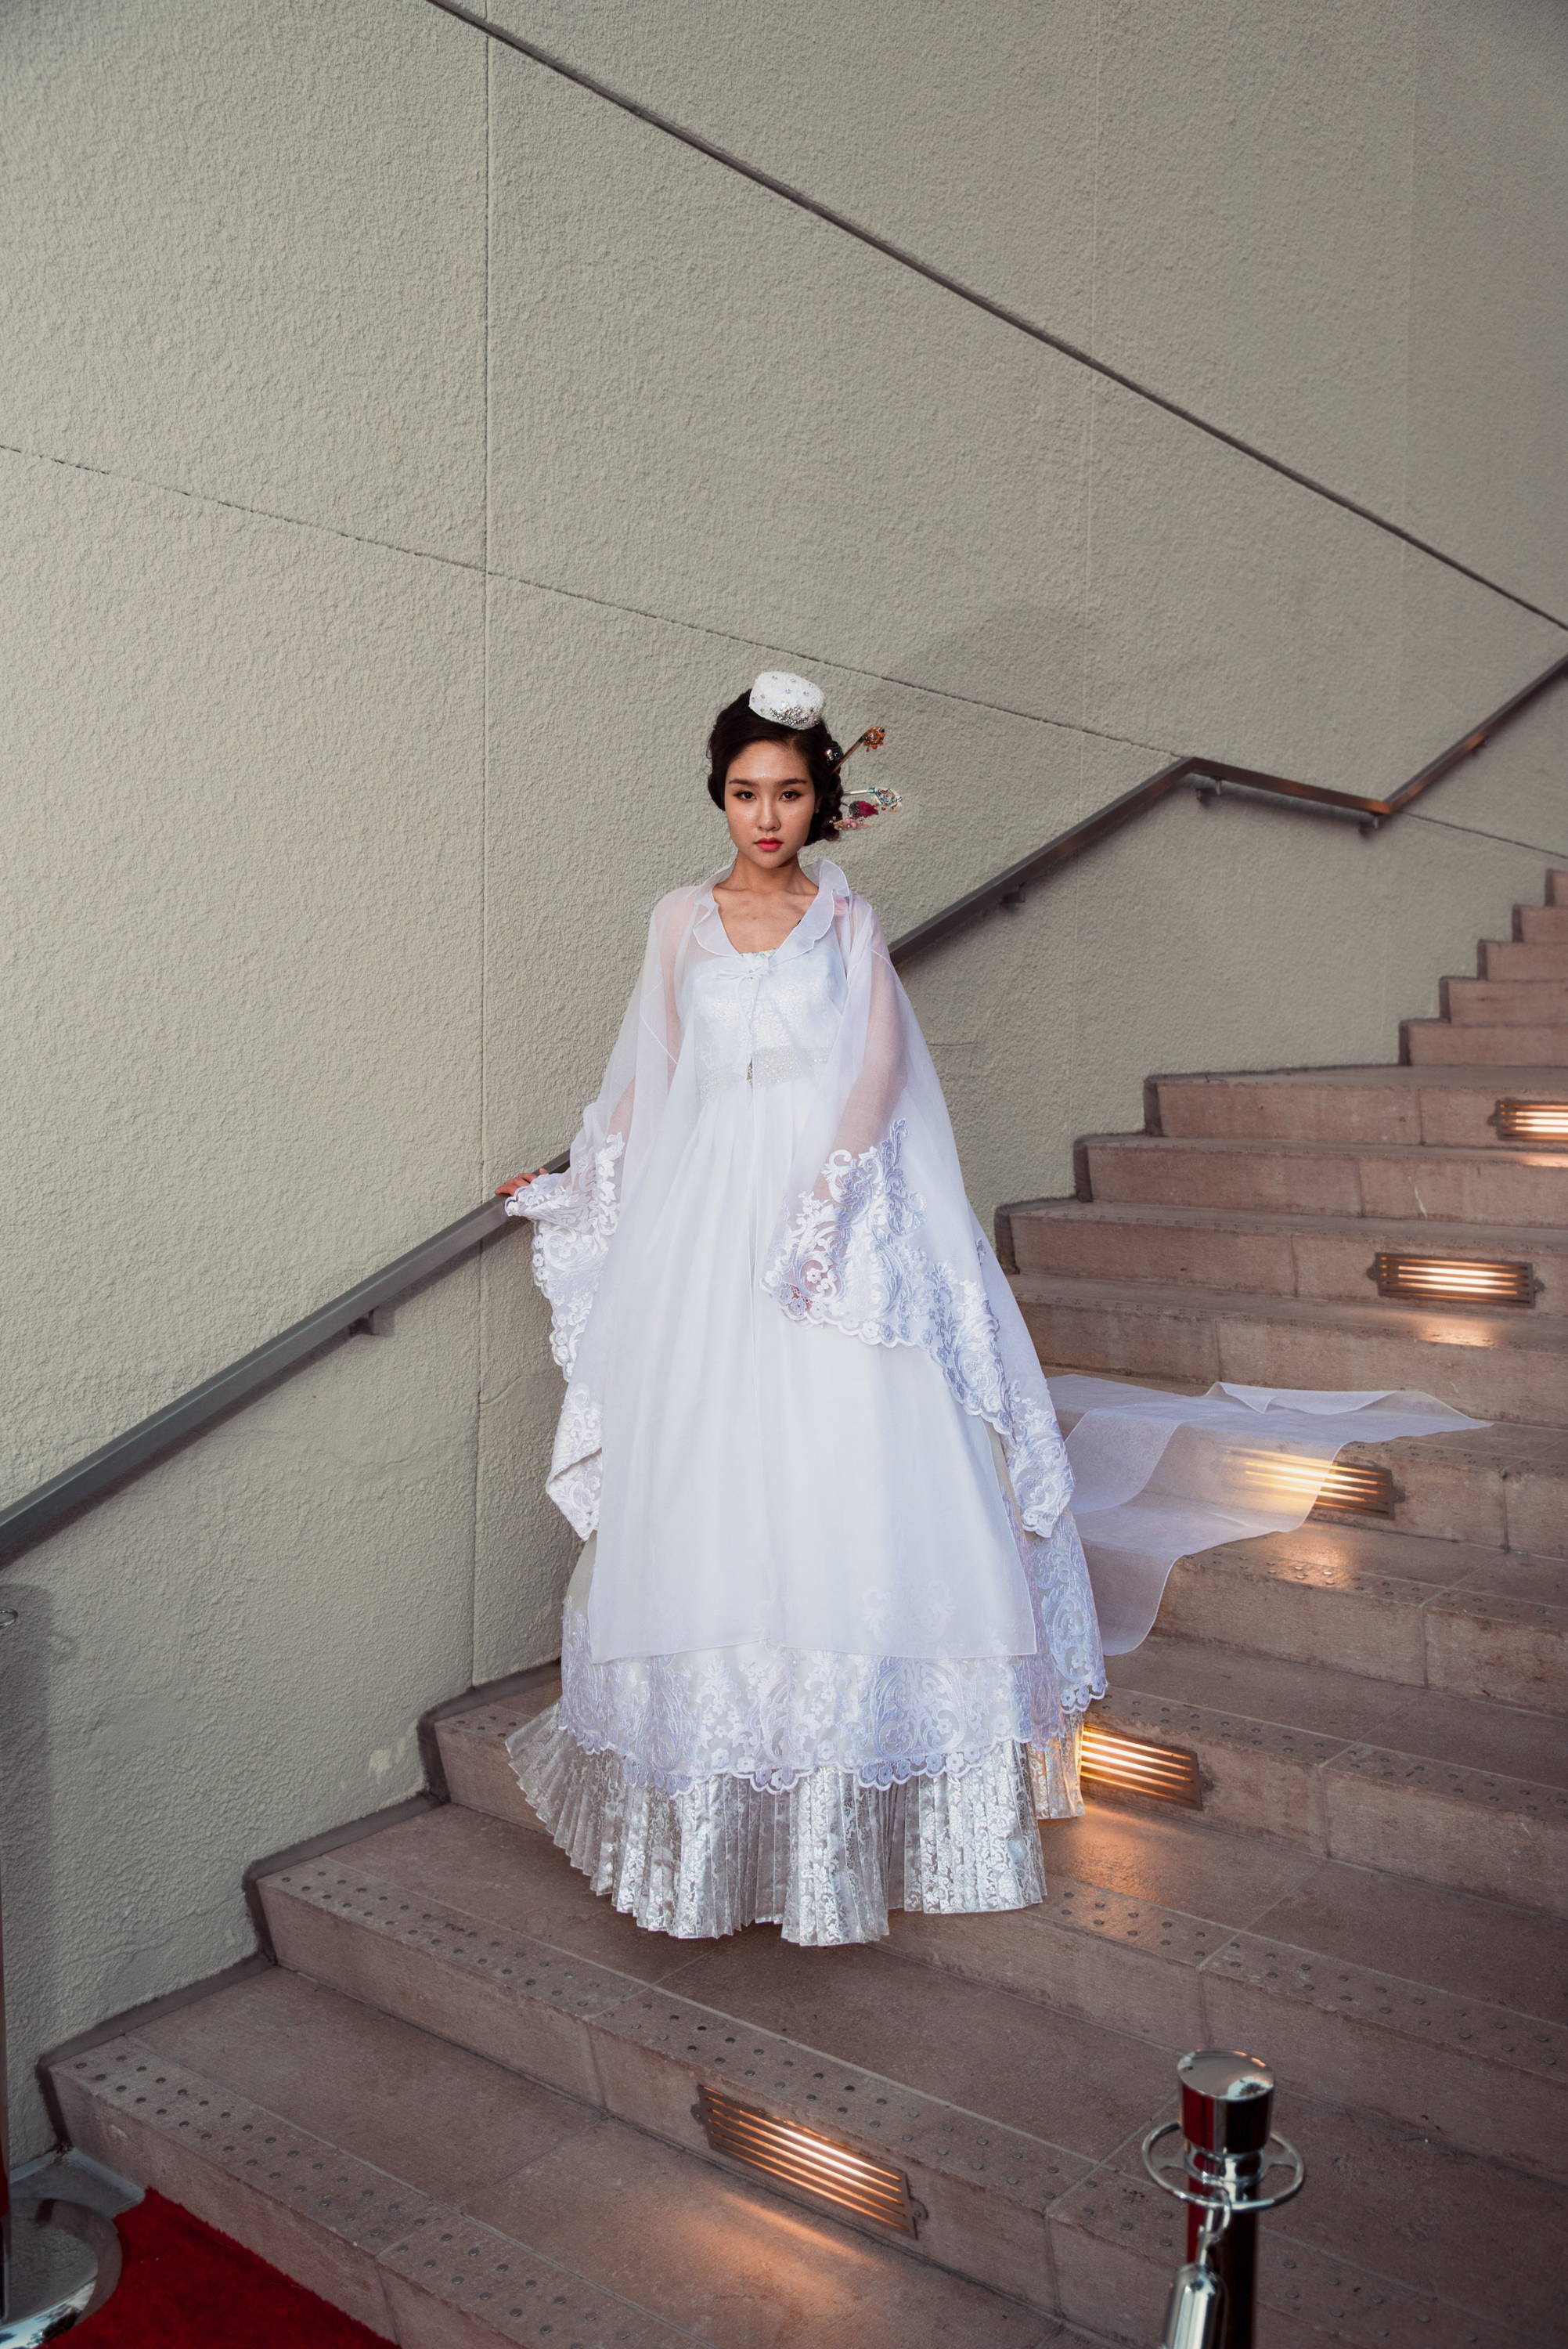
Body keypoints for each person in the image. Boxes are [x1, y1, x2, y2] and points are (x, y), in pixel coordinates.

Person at [497, 669, 1105, 1945]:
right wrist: (582, 1177)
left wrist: (828, 1201)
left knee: (854, 1470)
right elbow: (655, 1082)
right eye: (742, 793)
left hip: (834, 1212)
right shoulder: (678, 920)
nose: (763, 817)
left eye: (785, 793)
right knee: (714, 1477)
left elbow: (879, 1069)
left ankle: (865, 1797)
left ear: (822, 799)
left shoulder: (848, 920)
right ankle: (724, 1801)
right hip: (709, 1216)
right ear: (717, 798)